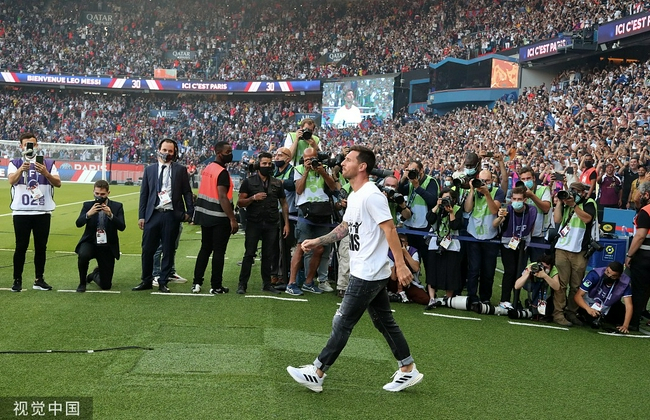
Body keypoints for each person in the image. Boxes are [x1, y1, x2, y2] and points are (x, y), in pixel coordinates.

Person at [286, 145, 423, 393]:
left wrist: (401, 265)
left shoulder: (372, 195)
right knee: (384, 322)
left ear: (362, 166)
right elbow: (344, 228)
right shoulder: (356, 195)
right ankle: (407, 367)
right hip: (368, 270)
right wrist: (317, 241)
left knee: (343, 321)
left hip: (369, 272)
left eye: (348, 159)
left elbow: (390, 229)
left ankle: (317, 372)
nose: (343, 163)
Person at [132, 139, 194, 293]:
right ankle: (146, 280)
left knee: (168, 250)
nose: (167, 153)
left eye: (170, 151)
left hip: (171, 215)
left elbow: (187, 192)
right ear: (159, 150)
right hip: (153, 214)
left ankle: (163, 281)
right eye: (165, 150)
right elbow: (144, 194)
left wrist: (189, 212)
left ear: (174, 153)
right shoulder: (150, 170)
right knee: (147, 249)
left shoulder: (180, 170)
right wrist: (141, 216)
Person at [8, 132, 61, 292]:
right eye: (26, 144)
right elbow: (11, 180)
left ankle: (39, 279)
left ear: (37, 146)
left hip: (42, 212)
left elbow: (58, 183)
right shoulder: (15, 163)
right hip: (21, 212)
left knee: (41, 247)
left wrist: (45, 173)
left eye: (32, 144)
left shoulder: (47, 163)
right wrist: (21, 170)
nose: (29, 147)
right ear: (21, 146)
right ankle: (17, 280)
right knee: (21, 247)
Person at [285, 147, 338, 295]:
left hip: (322, 210)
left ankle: (309, 282)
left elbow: (333, 187)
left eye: (312, 158)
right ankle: (291, 283)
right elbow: (298, 190)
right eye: (307, 159)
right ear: (303, 159)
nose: (310, 161)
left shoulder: (324, 168)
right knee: (301, 246)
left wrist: (322, 172)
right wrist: (307, 171)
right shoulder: (299, 169)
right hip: (305, 210)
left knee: (320, 248)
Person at [235, 152, 290, 294]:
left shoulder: (277, 183)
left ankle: (267, 284)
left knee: (268, 255)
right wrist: (253, 198)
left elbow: (284, 203)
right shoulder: (248, 182)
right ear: (258, 165)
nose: (267, 165)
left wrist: (286, 223)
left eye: (269, 163)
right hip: (254, 222)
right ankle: (242, 284)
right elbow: (240, 202)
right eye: (264, 163)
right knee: (249, 254)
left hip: (271, 222)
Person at [191, 141, 238, 294]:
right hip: (219, 216)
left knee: (205, 249)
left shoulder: (208, 168)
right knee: (219, 252)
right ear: (219, 153)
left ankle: (196, 283)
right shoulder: (222, 172)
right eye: (228, 152)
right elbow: (223, 197)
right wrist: (232, 219)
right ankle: (216, 285)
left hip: (205, 215)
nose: (230, 154)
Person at [553, 182, 597, 327]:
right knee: (561, 284)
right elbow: (557, 220)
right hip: (562, 248)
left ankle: (572, 313)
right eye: (571, 190)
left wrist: (574, 205)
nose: (573, 193)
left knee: (576, 285)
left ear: (583, 192)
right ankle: (558, 313)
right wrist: (560, 202)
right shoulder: (566, 203)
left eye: (576, 191)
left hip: (580, 250)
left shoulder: (589, 202)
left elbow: (587, 219)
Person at [74, 180, 126, 292]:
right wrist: (88, 214)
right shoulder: (88, 205)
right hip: (90, 241)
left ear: (108, 193)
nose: (99, 196)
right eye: (97, 193)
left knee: (106, 285)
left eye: (102, 194)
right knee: (83, 255)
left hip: (107, 245)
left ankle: (94, 275)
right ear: (93, 192)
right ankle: (82, 282)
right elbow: (78, 223)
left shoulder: (117, 206)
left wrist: (111, 215)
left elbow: (122, 227)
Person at [463, 169, 505, 304]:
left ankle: (485, 298)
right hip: (473, 234)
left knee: (488, 270)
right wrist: (471, 190)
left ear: (492, 180)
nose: (484, 183)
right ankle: (472, 296)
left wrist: (487, 193)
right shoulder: (474, 191)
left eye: (487, 181)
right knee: (473, 269)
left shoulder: (497, 192)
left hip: (490, 236)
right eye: (481, 181)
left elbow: (494, 210)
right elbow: (467, 209)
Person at [494, 186, 538, 309]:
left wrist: (526, 240)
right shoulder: (507, 209)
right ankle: (504, 300)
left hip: (523, 243)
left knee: (519, 272)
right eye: (514, 199)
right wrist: (500, 217)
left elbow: (531, 227)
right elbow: (495, 225)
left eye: (519, 199)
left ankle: (516, 300)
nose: (516, 201)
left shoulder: (532, 210)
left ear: (524, 200)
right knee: (510, 270)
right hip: (507, 243)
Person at [425, 188, 463, 309]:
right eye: (443, 198)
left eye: (448, 198)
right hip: (435, 243)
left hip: (452, 245)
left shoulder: (457, 209)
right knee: (432, 271)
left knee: (450, 272)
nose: (446, 200)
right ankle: (432, 298)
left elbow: (455, 225)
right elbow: (429, 219)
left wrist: (451, 212)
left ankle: (448, 298)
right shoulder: (437, 209)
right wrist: (437, 205)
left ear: (454, 200)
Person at [574, 262, 632, 333]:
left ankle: (605, 318)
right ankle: (581, 313)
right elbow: (577, 296)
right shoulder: (595, 275)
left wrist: (625, 325)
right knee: (591, 319)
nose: (608, 276)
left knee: (625, 315)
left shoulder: (624, 284)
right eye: (607, 272)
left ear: (619, 276)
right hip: (588, 303)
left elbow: (629, 305)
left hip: (606, 305)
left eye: (613, 276)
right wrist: (588, 309)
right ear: (606, 268)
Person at [626, 181, 650, 331]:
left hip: (645, 255)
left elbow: (640, 236)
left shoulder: (646, 211)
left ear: (646, 194)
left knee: (639, 289)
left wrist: (629, 255)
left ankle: (633, 321)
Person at [272, 147, 296, 287]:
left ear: (288, 158)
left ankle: (283, 275)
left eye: (280, 155)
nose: (277, 157)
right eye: (276, 154)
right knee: (273, 245)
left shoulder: (292, 171)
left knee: (285, 247)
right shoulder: (275, 171)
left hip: (289, 213)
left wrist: (278, 182)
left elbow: (293, 185)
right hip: (274, 212)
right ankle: (274, 274)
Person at [511, 254, 561, 320]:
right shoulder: (533, 266)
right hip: (531, 285)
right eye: (542, 266)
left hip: (546, 292)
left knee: (541, 283)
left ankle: (535, 307)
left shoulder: (553, 269)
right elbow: (517, 286)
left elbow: (557, 287)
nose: (543, 269)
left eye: (546, 267)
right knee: (538, 283)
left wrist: (545, 276)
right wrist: (528, 273)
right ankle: (533, 306)